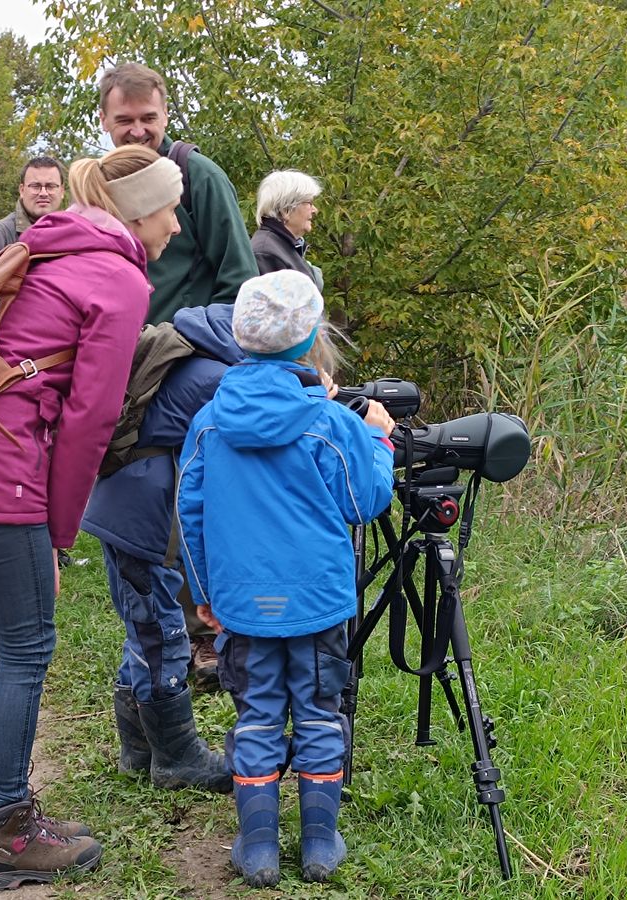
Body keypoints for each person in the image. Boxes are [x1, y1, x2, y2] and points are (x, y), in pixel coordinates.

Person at [0, 145, 184, 891]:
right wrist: (58, 532)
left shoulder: (47, 247)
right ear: (139, 211)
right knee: (26, 647)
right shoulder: (116, 277)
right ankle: (10, 835)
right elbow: (91, 418)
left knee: (3, 641)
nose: (176, 227)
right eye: (169, 210)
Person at [176, 270, 395, 887]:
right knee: (321, 714)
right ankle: (321, 842)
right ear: (308, 343)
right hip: (319, 604)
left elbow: (188, 515)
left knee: (257, 716)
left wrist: (206, 596)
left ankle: (260, 846)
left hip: (243, 606)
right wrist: (378, 437)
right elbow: (367, 498)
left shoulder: (209, 423)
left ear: (241, 339)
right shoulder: (329, 423)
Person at [99, 61, 259, 689]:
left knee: (200, 502)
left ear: (165, 114)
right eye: (123, 121)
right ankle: (163, 641)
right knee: (147, 510)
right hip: (132, 373)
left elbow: (241, 283)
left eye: (148, 118)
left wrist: (198, 342)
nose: (137, 131)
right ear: (105, 122)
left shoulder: (199, 178)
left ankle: (210, 637)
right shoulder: (106, 188)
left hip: (190, 368)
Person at [81, 303, 244, 794]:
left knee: (145, 629)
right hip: (140, 518)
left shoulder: (196, 356)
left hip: (122, 507)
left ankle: (138, 748)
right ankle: (176, 758)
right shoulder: (215, 377)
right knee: (160, 635)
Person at [0, 156, 65, 254]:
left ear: (62, 191)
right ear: (22, 190)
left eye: (50, 186)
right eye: (35, 186)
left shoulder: (70, 235)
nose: (43, 193)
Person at [251, 170, 325, 290]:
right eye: (309, 203)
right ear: (286, 210)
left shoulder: (282, 246)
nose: (315, 210)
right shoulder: (266, 254)